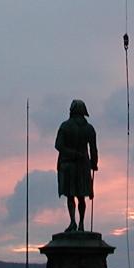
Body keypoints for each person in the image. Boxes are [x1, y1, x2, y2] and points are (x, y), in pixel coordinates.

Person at [55, 99, 98, 232]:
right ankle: (80, 223)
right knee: (81, 196)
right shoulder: (89, 128)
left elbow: (59, 145)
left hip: (68, 165)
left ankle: (74, 221)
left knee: (71, 195)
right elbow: (94, 149)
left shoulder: (65, 126)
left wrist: (71, 154)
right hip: (83, 165)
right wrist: (94, 163)